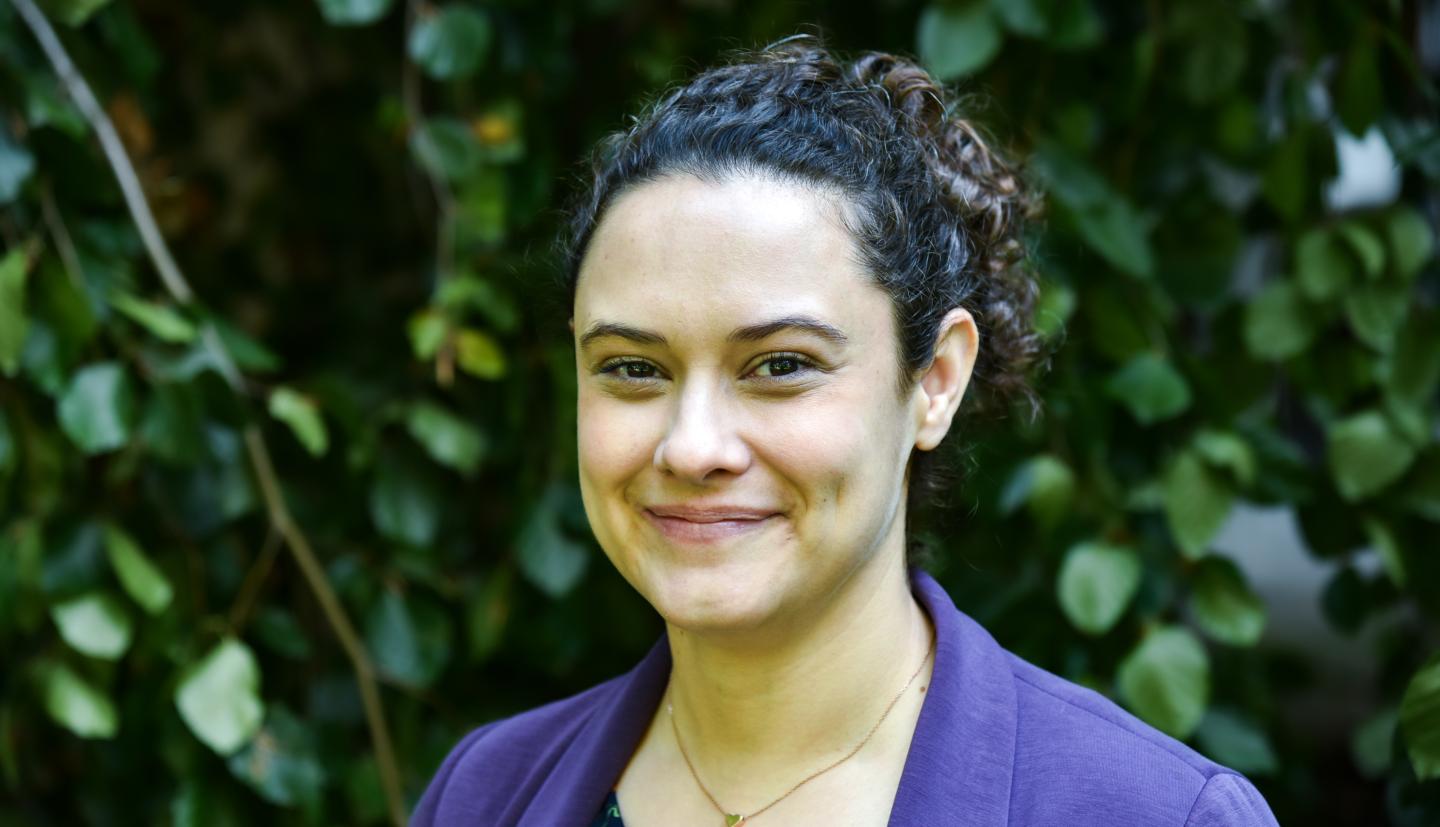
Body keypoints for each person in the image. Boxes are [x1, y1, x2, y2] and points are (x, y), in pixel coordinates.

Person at [411, 36, 1279, 827]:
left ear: (935, 380)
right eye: (634, 368)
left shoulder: (1157, 813)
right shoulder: (485, 792)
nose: (692, 446)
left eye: (780, 365)